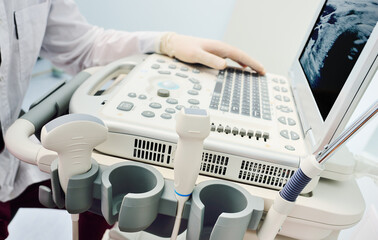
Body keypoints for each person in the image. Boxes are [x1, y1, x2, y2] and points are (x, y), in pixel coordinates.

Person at [0, 0, 265, 239]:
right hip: (11, 152)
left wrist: (165, 43)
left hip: (10, 155)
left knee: (103, 193)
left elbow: (82, 46)